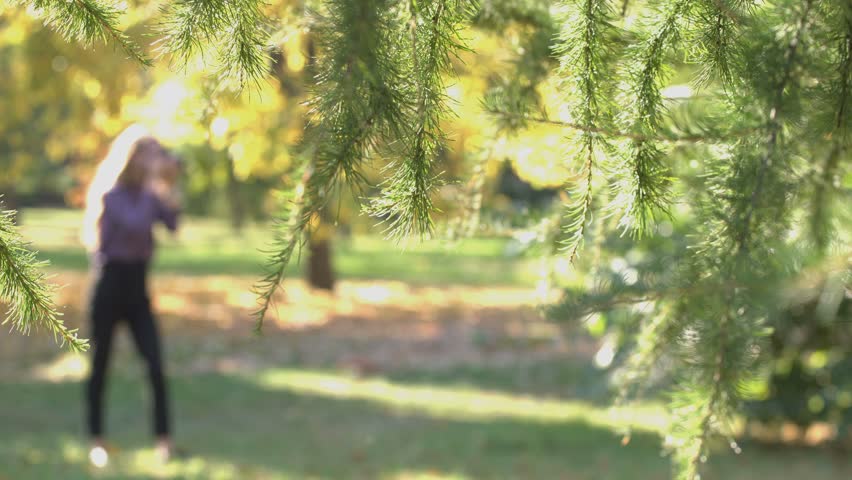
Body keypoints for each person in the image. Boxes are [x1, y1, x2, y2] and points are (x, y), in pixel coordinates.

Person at [80, 125, 181, 468]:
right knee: (100, 366)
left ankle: (163, 440)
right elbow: (137, 223)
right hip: (109, 287)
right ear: (133, 156)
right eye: (150, 153)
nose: (155, 160)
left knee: (155, 365)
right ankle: (96, 439)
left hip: (138, 290)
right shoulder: (112, 195)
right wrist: (157, 188)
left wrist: (169, 187)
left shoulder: (151, 194)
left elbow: (173, 223)